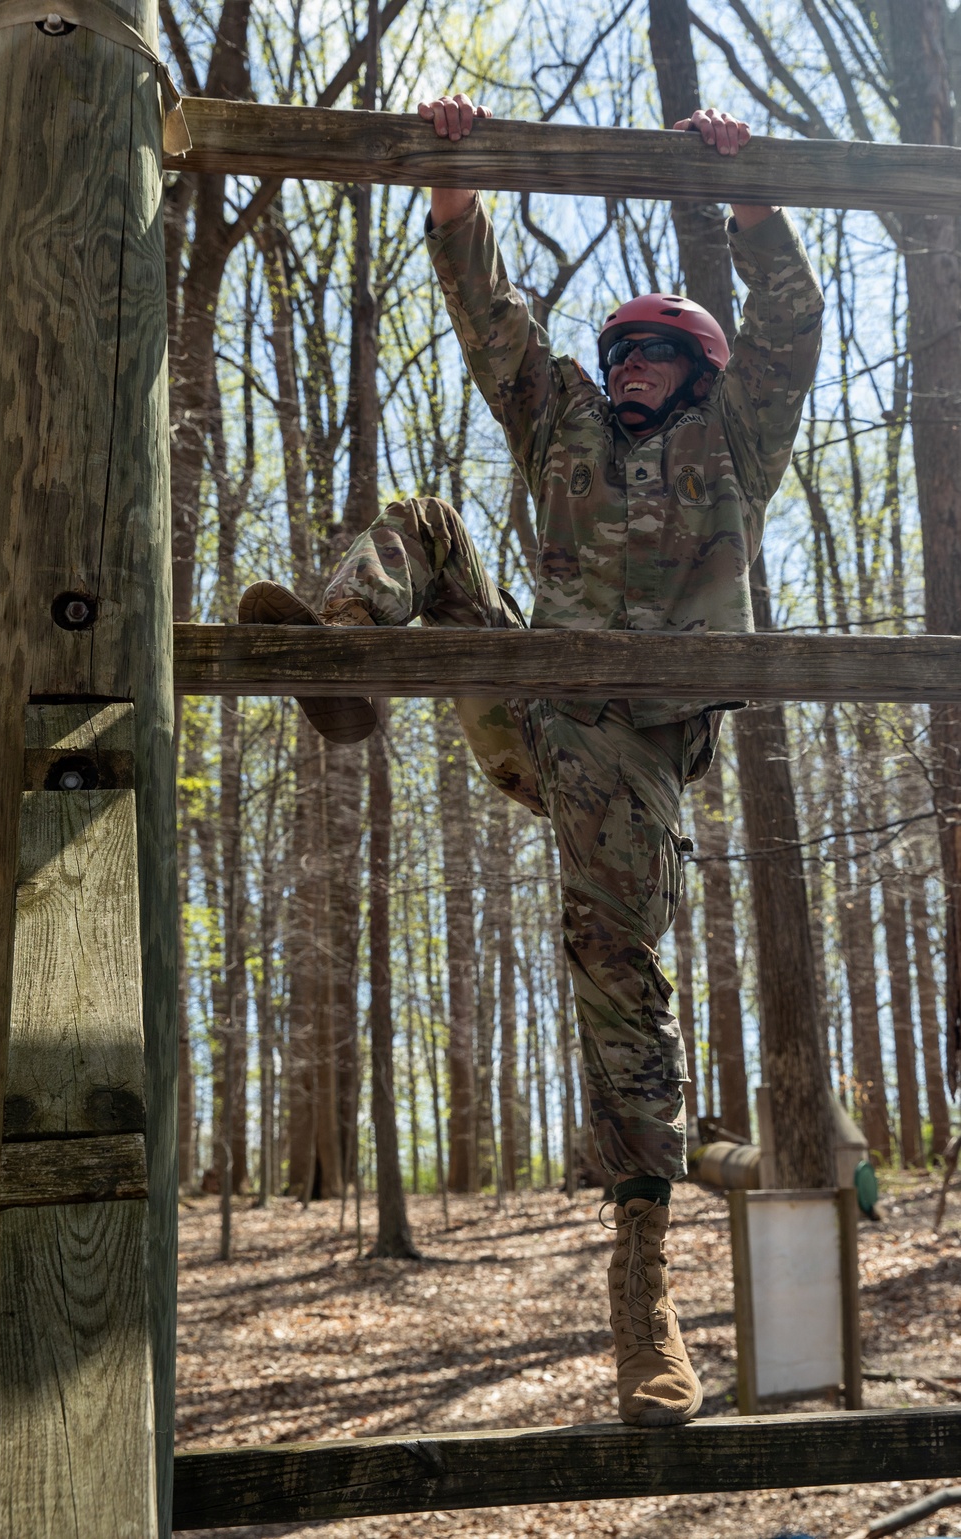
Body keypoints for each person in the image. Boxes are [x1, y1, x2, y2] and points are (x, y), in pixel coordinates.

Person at [240, 99, 824, 1426]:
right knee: (432, 523)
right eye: (617, 352)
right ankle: (346, 659)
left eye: (653, 359)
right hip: (531, 709)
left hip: (631, 755)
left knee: (618, 982)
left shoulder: (732, 444)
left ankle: (642, 1294)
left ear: (696, 375)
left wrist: (750, 204)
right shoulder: (561, 425)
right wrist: (454, 196)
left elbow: (788, 333)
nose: (626, 371)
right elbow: (497, 332)